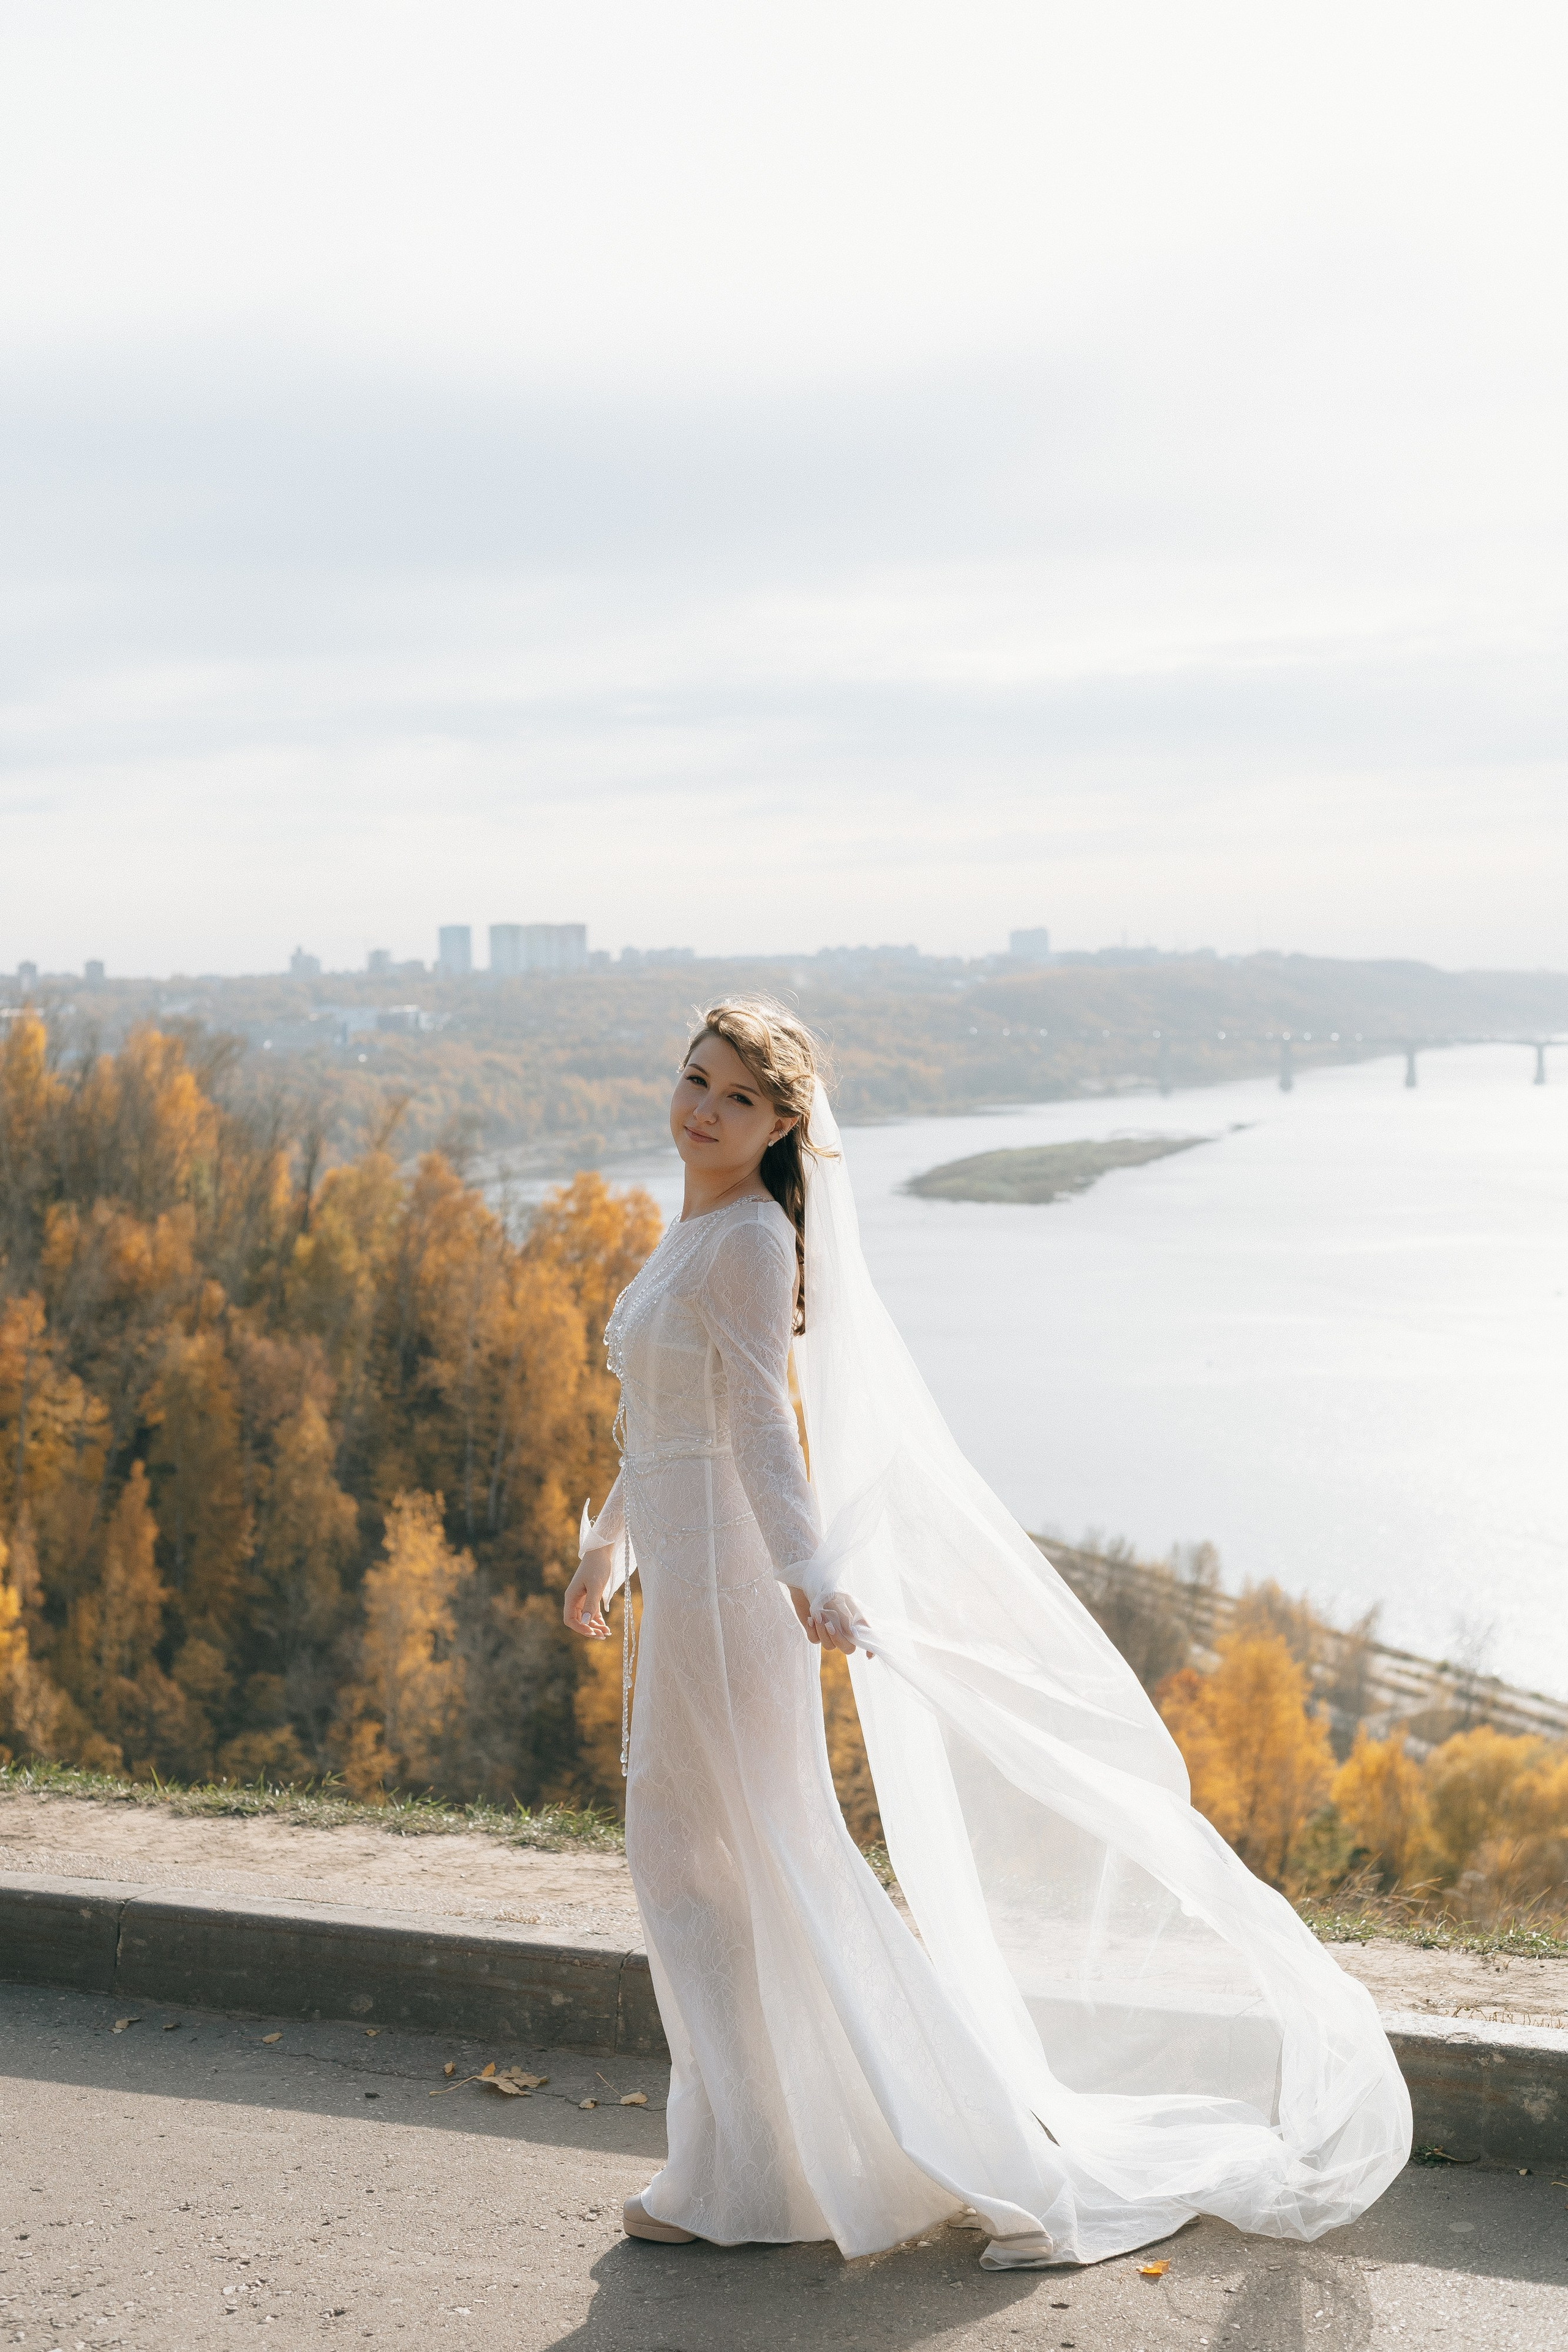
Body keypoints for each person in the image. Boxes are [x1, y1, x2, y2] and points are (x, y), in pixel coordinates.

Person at [563, 997, 1409, 2267]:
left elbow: (757, 1431)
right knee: (696, 1874)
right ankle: (765, 2160)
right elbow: (659, 1419)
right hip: (677, 1598)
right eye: (693, 1080)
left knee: (744, 1870)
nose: (700, 1110)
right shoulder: (683, 1227)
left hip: (735, 1603)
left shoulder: (745, 1240)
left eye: (735, 1098)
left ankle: (753, 2175)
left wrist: (803, 1574)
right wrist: (604, 1547)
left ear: (781, 1123)